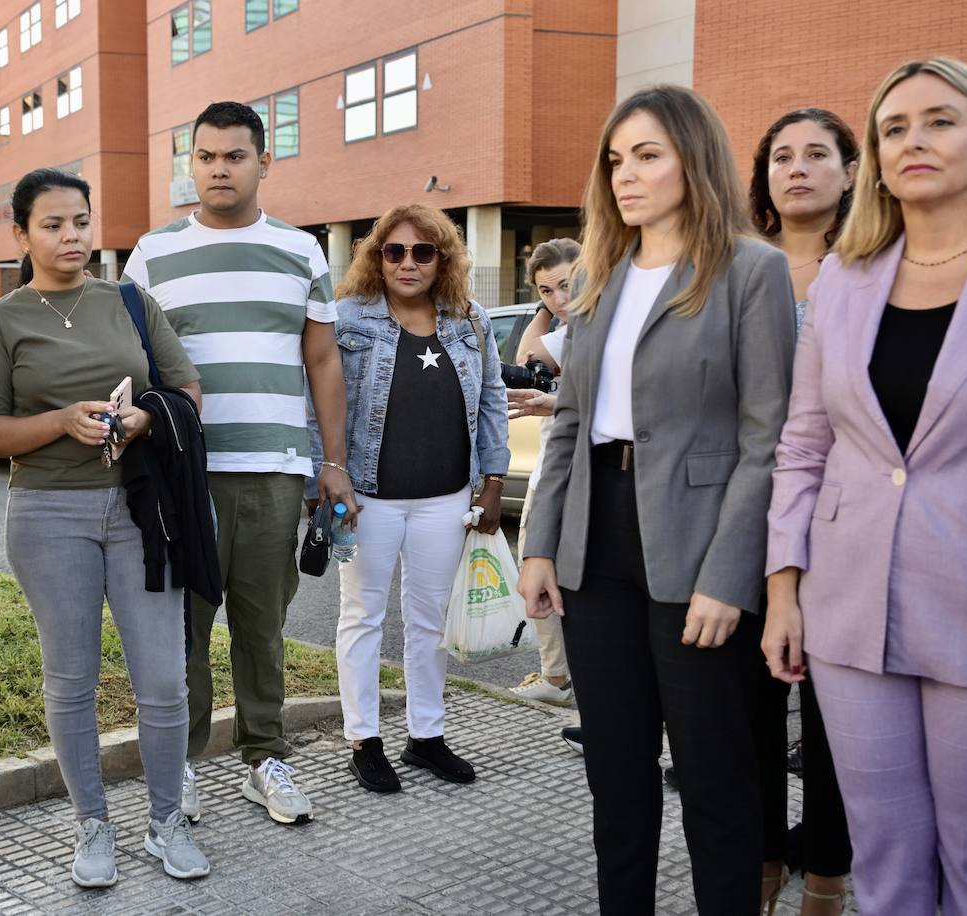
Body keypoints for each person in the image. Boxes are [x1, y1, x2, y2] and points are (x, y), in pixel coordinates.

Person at [518, 85, 796, 914]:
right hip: (596, 541)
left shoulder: (754, 270)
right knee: (618, 779)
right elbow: (569, 420)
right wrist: (539, 543)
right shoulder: (598, 274)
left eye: (646, 155)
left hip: (699, 546)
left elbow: (767, 439)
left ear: (693, 157)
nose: (625, 175)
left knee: (716, 782)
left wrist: (729, 576)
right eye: (615, 159)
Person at [764, 57, 967, 916]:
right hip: (849, 609)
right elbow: (804, 446)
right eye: (893, 128)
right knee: (885, 857)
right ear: (878, 159)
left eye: (940, 120)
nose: (914, 141)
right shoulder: (845, 283)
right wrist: (786, 588)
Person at [0, 168, 210, 888]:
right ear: (22, 234)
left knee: (162, 679)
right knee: (71, 680)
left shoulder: (130, 301)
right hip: (47, 511)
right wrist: (59, 422)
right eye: (52, 225)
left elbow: (187, 390)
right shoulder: (1, 322)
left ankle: (166, 824)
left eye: (80, 222)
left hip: (141, 509)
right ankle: (91, 826)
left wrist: (145, 418)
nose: (70, 238)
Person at [123, 101, 355, 825]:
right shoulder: (151, 254)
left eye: (235, 156)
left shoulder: (301, 251)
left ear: (262, 162)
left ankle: (264, 757)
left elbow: (322, 360)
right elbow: (132, 367)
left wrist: (335, 463)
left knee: (262, 625)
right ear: (190, 163)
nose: (219, 168)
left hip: (275, 469)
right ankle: (182, 766)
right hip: (183, 475)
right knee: (184, 626)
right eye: (206, 156)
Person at [316, 203, 509, 793]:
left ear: (441, 259)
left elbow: (492, 398)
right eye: (393, 251)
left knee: (428, 623)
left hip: (445, 499)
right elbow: (315, 397)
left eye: (422, 252)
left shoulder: (467, 320)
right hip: (368, 498)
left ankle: (426, 736)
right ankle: (364, 739)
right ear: (376, 256)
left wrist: (493, 482)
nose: (407, 263)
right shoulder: (347, 317)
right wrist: (325, 476)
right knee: (363, 617)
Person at [749, 107, 858, 915]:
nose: (798, 168)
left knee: (837, 726)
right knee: (746, 716)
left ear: (852, 171)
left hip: (848, 525)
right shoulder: (736, 271)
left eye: (817, 153)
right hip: (745, 524)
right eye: (782, 155)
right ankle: (756, 867)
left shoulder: (881, 267)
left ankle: (826, 876)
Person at [509, 238, 579, 709]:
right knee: (535, 561)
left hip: (596, 467)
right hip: (552, 468)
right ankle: (557, 675)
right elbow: (527, 361)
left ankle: (566, 680)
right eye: (546, 291)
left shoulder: (606, 322)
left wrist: (560, 403)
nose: (559, 299)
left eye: (567, 286)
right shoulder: (568, 329)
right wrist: (546, 307)